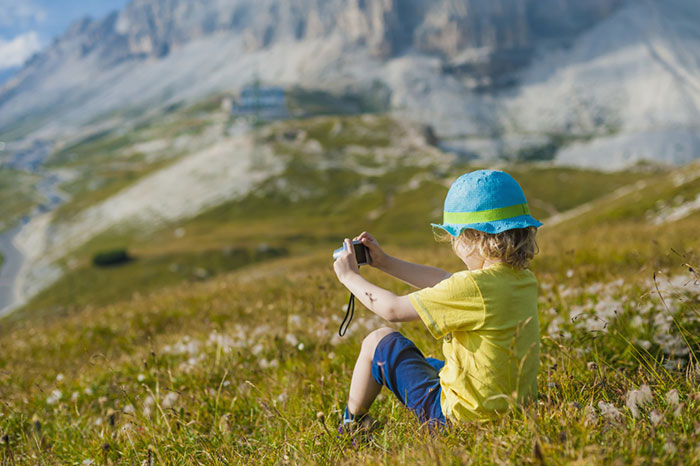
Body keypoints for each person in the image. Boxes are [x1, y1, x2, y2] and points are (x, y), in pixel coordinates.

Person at [332, 169, 542, 429]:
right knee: (430, 363)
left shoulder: (474, 287)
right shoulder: (520, 279)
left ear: (473, 238)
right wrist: (384, 262)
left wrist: (349, 277)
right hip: (513, 408)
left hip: (459, 418)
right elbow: (446, 281)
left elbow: (393, 310)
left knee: (378, 342)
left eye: (454, 237)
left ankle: (350, 426)